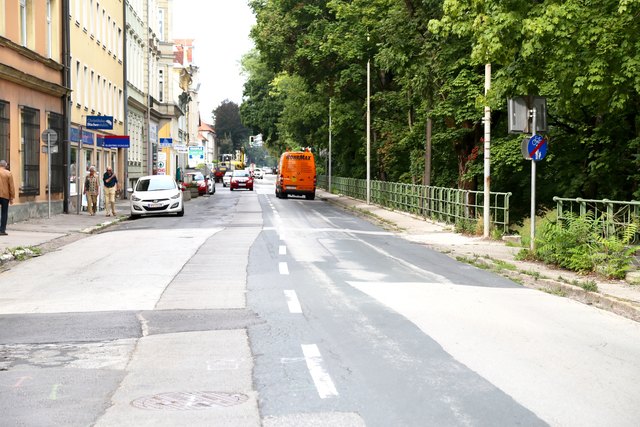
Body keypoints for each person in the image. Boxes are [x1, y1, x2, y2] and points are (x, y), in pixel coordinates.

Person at [0, 160, 15, 236]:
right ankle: (2, 230)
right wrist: (12, 197)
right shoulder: (8, 173)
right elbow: (11, 187)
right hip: (5, 196)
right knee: (4, 213)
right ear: (5, 165)